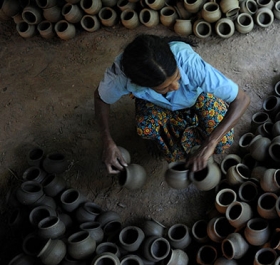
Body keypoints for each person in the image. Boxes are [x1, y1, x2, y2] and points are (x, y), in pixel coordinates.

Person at [94, 34, 250, 174]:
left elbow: (242, 99)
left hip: (196, 96)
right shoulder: (121, 76)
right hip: (156, 103)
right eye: (165, 87)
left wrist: (211, 142)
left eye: (177, 77)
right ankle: (159, 140)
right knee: (148, 130)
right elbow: (101, 98)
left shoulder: (188, 62)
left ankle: (198, 136)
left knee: (221, 142)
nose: (176, 86)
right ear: (141, 84)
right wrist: (107, 140)